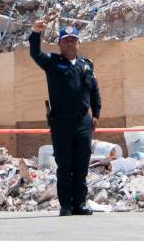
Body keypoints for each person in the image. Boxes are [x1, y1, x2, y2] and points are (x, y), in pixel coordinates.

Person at [29, 20, 101, 216]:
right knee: (64, 165)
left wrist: (96, 114)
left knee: (81, 165)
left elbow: (94, 91)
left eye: (73, 40)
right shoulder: (52, 62)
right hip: (61, 122)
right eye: (66, 40)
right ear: (60, 44)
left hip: (83, 122)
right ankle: (66, 206)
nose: (70, 43)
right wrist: (36, 33)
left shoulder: (87, 65)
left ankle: (80, 204)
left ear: (78, 43)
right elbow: (35, 53)